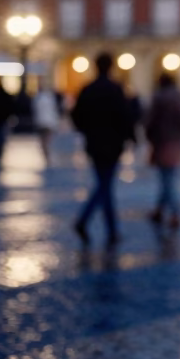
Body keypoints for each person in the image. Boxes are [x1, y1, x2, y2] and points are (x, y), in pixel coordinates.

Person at [70, 52, 136, 246]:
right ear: (111, 66)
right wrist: (131, 137)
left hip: (94, 142)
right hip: (113, 144)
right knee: (105, 185)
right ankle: (91, 222)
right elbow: (125, 116)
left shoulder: (88, 89)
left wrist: (87, 130)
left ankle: (108, 228)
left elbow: (76, 115)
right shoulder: (116, 89)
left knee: (104, 183)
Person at [144, 73, 180, 229]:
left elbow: (150, 120)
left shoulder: (158, 98)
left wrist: (150, 136)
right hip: (175, 141)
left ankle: (175, 213)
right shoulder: (179, 98)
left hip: (161, 141)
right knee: (168, 177)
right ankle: (159, 211)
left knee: (166, 179)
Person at [32, 81, 60, 164]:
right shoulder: (49, 99)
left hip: (42, 122)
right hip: (48, 122)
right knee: (47, 139)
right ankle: (47, 154)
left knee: (44, 140)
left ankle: (46, 154)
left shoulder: (38, 99)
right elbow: (53, 111)